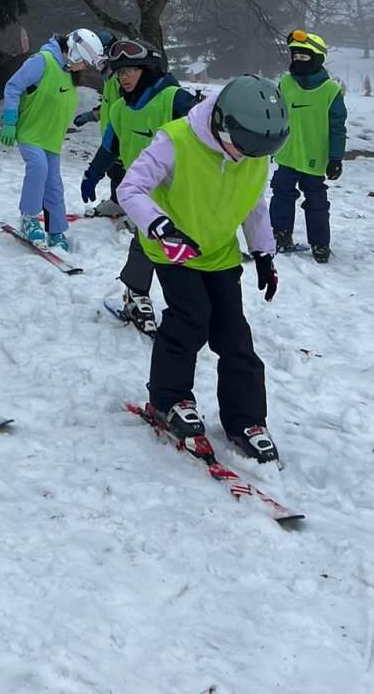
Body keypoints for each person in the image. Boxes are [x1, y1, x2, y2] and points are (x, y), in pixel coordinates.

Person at [117, 75, 289, 463]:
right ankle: (168, 401)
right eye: (241, 148)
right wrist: (160, 226)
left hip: (219, 251)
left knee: (234, 334)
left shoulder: (253, 150)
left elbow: (254, 203)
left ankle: (246, 420)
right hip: (173, 249)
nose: (245, 158)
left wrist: (263, 253)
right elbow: (130, 189)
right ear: (223, 124)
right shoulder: (175, 139)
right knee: (190, 320)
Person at [80, 39, 200, 332]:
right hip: (144, 199)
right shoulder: (120, 109)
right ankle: (136, 295)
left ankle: (193, 305)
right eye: (120, 72)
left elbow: (208, 131)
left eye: (131, 70)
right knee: (145, 244)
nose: (124, 77)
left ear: (147, 69)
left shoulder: (175, 99)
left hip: (183, 194)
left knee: (186, 250)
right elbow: (109, 147)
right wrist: (92, 174)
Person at [0, 28, 105, 246]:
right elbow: (13, 86)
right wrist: (9, 121)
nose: (85, 67)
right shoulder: (42, 61)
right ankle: (28, 219)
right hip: (30, 133)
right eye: (85, 62)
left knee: (54, 183)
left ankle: (56, 230)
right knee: (38, 168)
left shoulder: (67, 71)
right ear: (74, 52)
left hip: (51, 139)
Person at [270, 29, 347, 263]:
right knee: (281, 194)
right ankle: (281, 233)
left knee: (316, 202)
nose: (298, 61)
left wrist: (336, 158)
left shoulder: (330, 90)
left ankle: (320, 243)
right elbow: (274, 114)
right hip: (287, 154)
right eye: (295, 56)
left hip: (314, 157)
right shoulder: (285, 83)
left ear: (317, 59)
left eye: (304, 57)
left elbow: (337, 127)